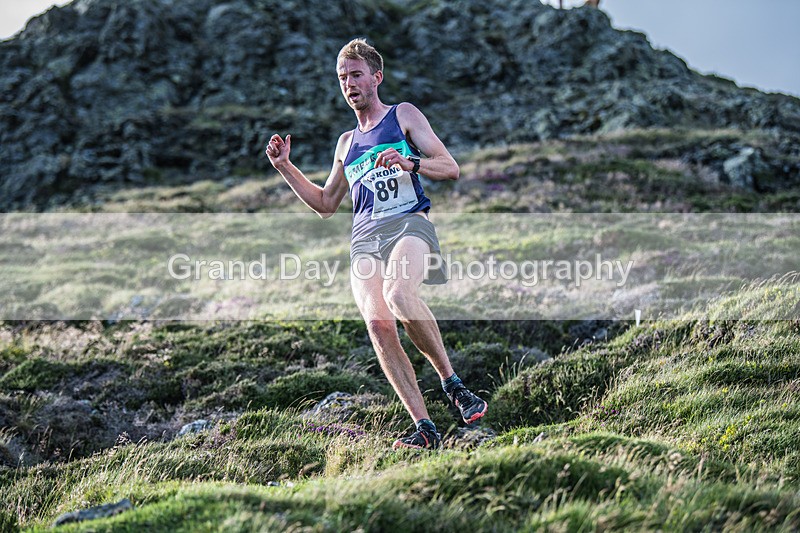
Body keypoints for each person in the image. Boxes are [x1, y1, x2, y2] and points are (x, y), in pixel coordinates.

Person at [265, 38, 487, 450]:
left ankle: (452, 384)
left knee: (399, 295)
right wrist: (285, 167)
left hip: (409, 223)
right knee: (378, 325)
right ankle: (425, 428)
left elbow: (450, 167)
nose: (348, 84)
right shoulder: (346, 143)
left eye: (356, 75)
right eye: (342, 78)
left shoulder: (403, 115)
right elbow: (326, 204)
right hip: (365, 240)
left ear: (376, 77)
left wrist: (410, 162)